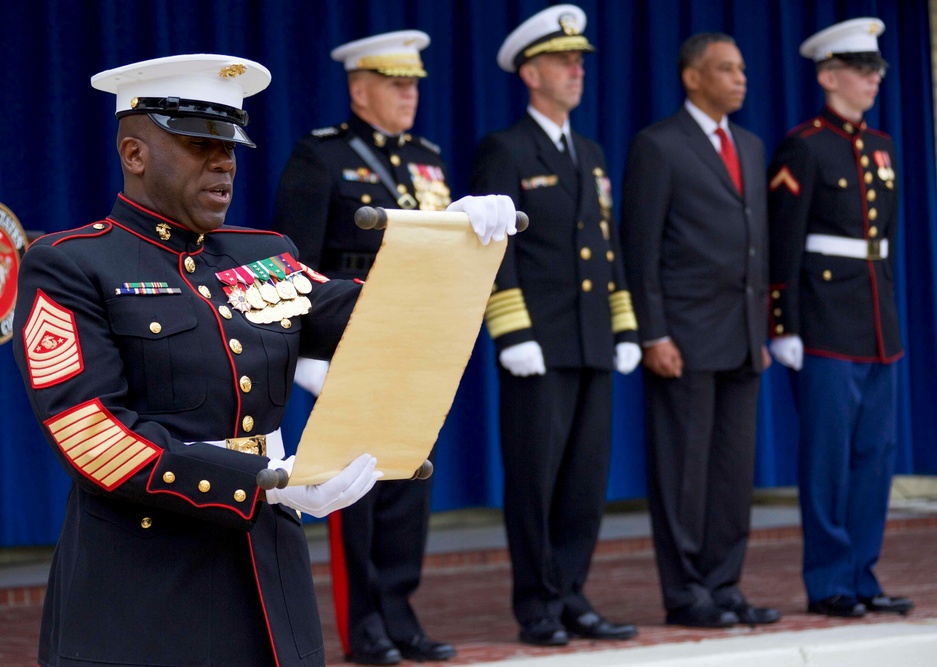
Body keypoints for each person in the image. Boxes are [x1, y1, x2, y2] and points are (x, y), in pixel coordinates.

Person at [12, 53, 515, 667]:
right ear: (134, 154)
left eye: (230, 145)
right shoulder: (72, 264)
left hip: (266, 573)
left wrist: (453, 252)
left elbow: (385, 324)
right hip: (143, 586)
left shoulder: (264, 253)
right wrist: (264, 484)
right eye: (199, 143)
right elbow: (92, 436)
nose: (223, 160)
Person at [272, 31, 456, 665]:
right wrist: (308, 357)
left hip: (417, 343)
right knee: (359, 488)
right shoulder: (320, 157)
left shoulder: (427, 158)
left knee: (409, 480)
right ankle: (365, 624)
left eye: (414, 85)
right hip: (349, 343)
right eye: (396, 83)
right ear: (360, 88)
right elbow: (290, 263)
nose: (410, 95)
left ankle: (401, 612)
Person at [469, 4, 642, 647]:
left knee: (585, 481)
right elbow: (492, 247)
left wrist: (623, 325)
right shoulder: (506, 149)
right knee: (537, 479)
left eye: (581, 62)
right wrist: (511, 332)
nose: (577, 71)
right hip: (538, 342)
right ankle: (538, 604)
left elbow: (608, 244)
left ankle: (572, 592)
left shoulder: (590, 152)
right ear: (531, 73)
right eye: (564, 62)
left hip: (592, 338)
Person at [619, 33, 779, 629]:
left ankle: (725, 584)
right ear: (692, 77)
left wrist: (759, 326)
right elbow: (641, 250)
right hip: (682, 338)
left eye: (742, 68)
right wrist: (652, 333)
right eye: (726, 69)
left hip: (741, 335)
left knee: (733, 472)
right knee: (682, 474)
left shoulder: (751, 145)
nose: (740, 78)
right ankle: (687, 593)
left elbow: (755, 244)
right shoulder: (659, 146)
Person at [767, 17, 913, 619]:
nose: (874, 79)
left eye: (877, 69)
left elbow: (888, 239)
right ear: (829, 75)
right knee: (826, 459)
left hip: (877, 322)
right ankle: (829, 580)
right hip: (824, 323)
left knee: (873, 457)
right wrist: (784, 324)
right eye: (862, 69)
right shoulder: (804, 145)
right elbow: (785, 242)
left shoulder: (881, 147)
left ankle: (862, 574)